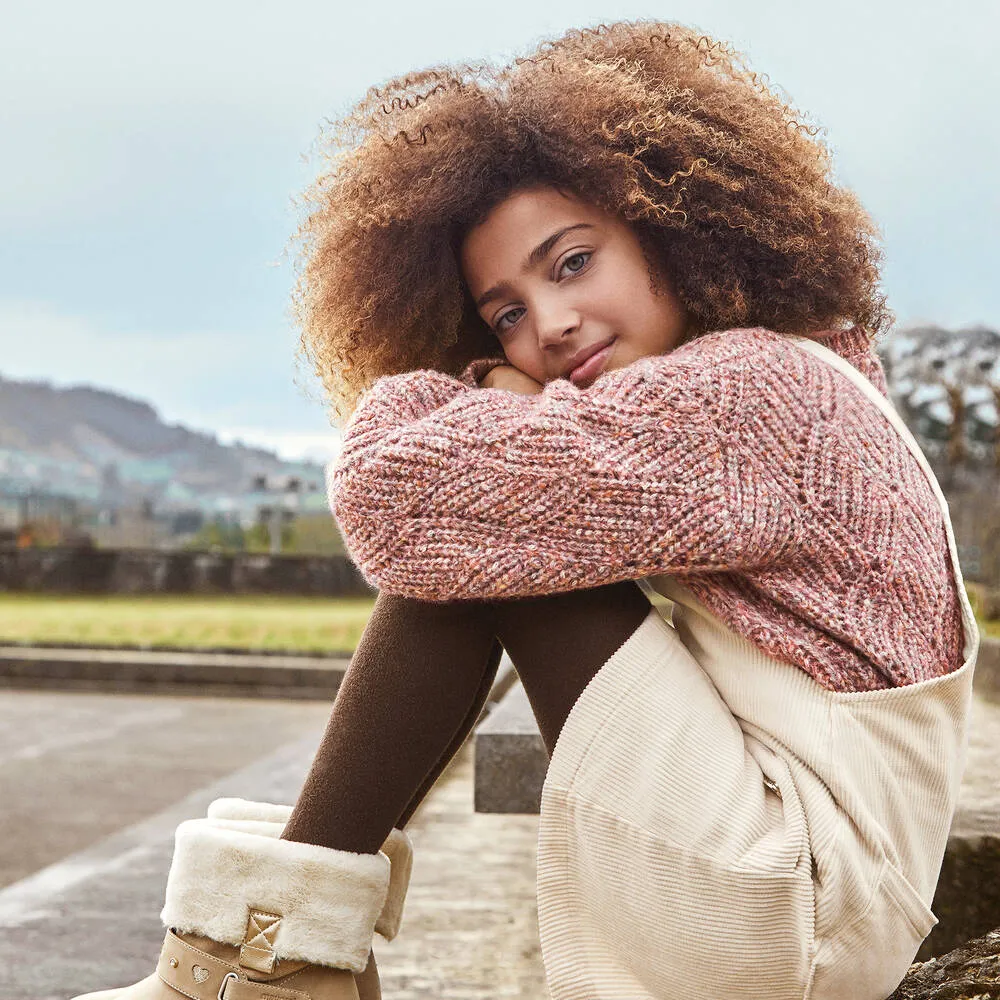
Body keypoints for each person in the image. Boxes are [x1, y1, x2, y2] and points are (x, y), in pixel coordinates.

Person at [73, 20, 978, 1000]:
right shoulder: (799, 377)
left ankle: (265, 966)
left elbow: (390, 500)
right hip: (825, 907)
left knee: (477, 539)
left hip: (786, 913)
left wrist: (496, 402)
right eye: (503, 312)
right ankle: (274, 962)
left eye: (572, 262)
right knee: (488, 530)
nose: (547, 324)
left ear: (675, 231)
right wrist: (510, 417)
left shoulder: (747, 392)